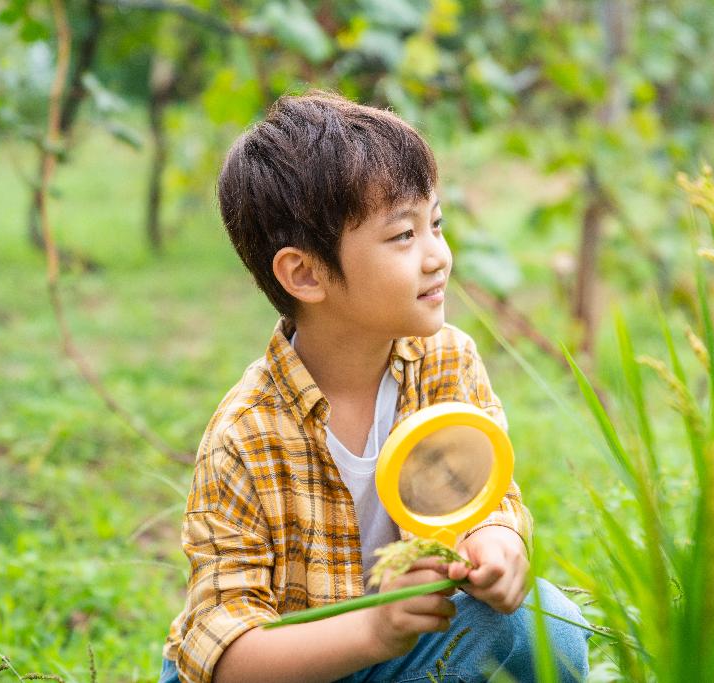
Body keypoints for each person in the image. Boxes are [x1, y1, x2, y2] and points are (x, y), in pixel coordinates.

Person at [159, 91, 592, 683]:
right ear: (306, 273)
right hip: (289, 671)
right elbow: (225, 654)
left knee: (549, 626)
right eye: (402, 237)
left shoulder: (446, 363)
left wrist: (495, 541)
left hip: (396, 653)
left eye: (434, 224)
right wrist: (372, 630)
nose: (437, 256)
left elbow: (486, 495)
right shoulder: (247, 435)